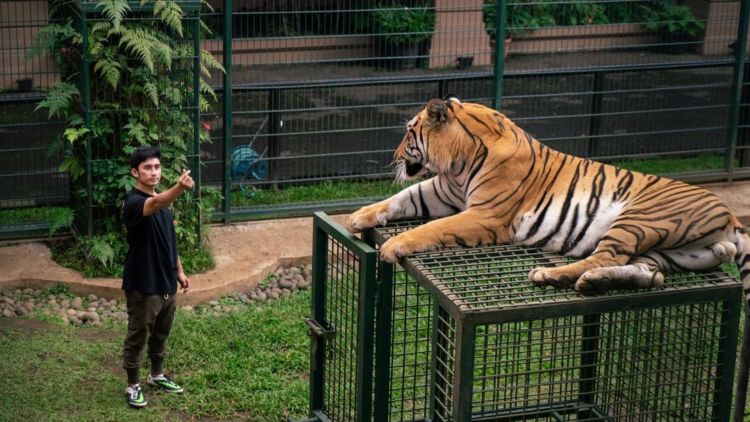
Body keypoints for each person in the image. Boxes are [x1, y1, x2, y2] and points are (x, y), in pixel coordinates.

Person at [121, 146, 193, 408]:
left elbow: (169, 241)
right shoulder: (134, 203)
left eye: (157, 167)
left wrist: (180, 271)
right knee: (138, 334)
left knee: (161, 332)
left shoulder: (165, 205)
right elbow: (154, 202)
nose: (153, 172)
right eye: (147, 168)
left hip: (166, 282)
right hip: (143, 284)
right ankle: (132, 384)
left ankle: (156, 375)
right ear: (135, 172)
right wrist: (180, 188)